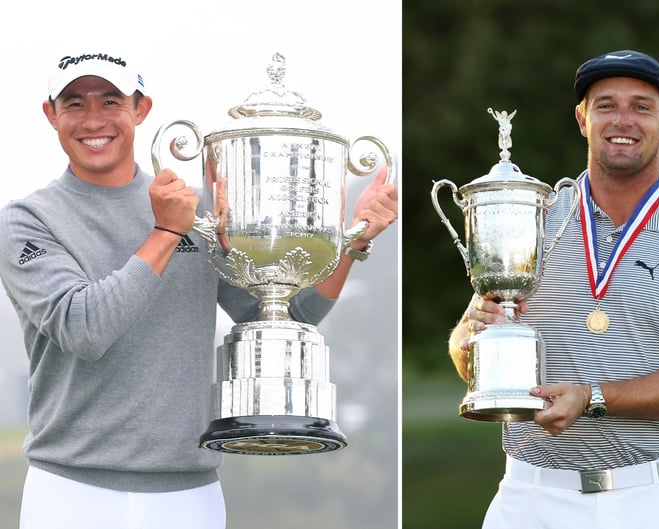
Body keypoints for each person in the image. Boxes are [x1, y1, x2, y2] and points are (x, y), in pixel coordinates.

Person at [0, 51, 397, 529]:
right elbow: (85, 329)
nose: (94, 120)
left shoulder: (197, 212)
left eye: (110, 101)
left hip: (190, 494)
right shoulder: (27, 220)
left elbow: (286, 318)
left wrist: (353, 241)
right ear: (51, 114)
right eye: (74, 104)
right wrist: (166, 233)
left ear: (140, 109)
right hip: (70, 493)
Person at [447, 50, 659, 528]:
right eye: (606, 104)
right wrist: (472, 337)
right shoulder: (530, 217)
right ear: (582, 118)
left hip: (656, 497)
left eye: (641, 106)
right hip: (531, 495)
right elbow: (469, 357)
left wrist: (592, 396)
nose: (623, 120)